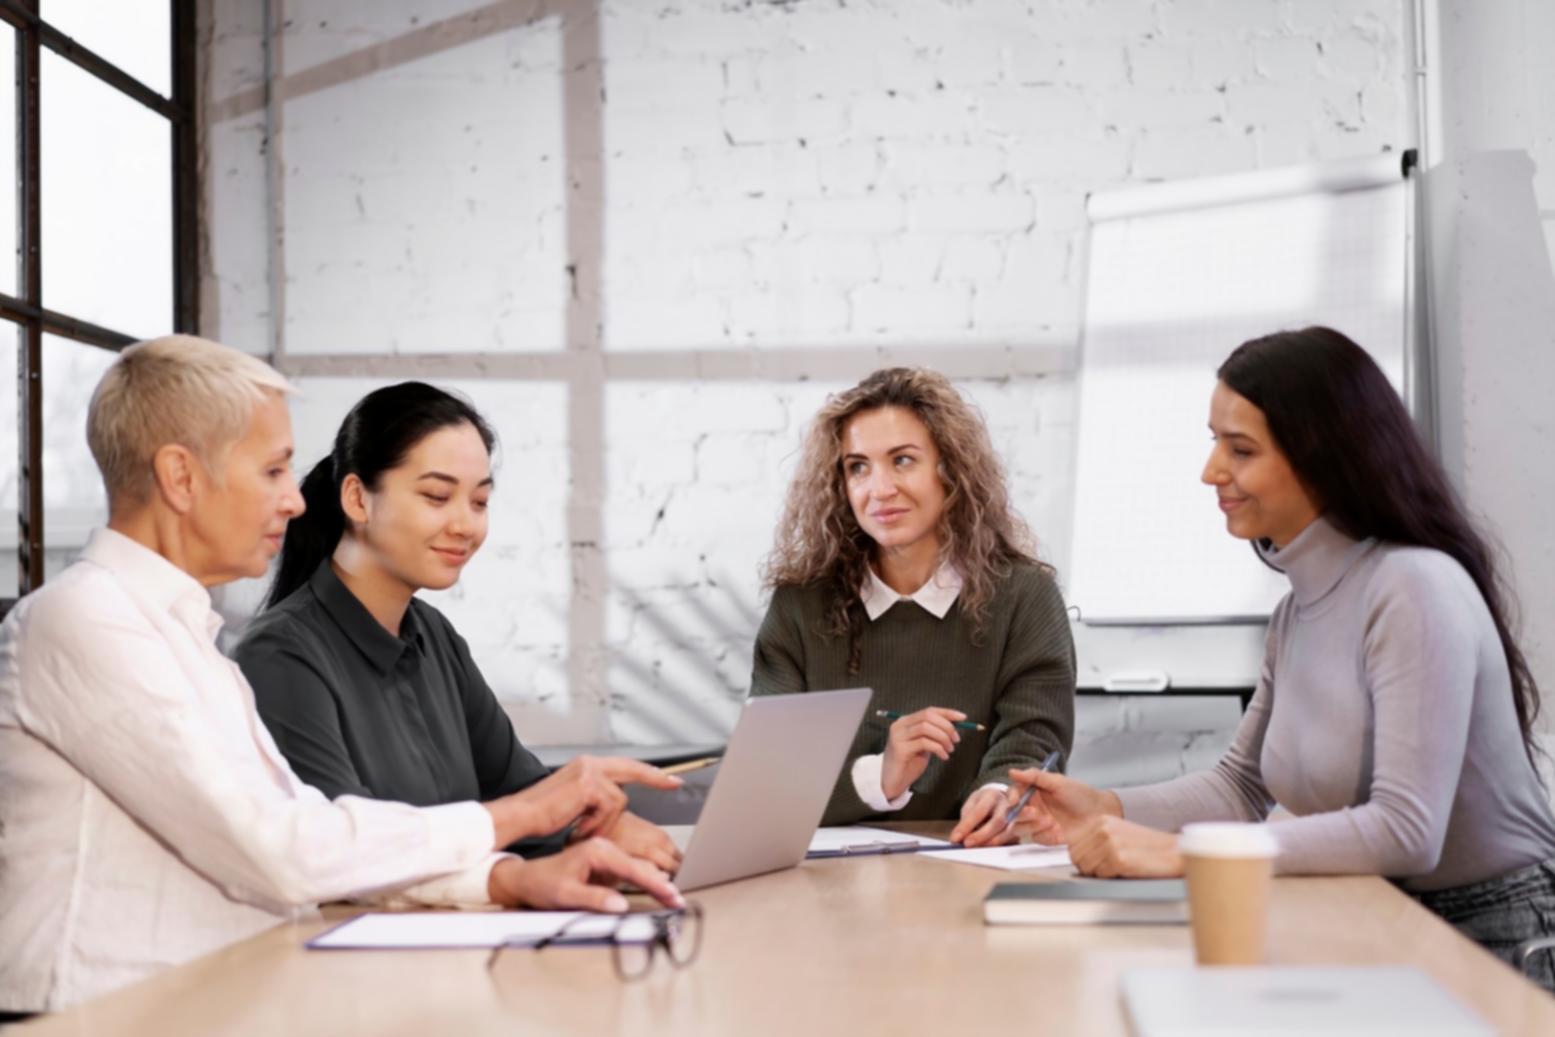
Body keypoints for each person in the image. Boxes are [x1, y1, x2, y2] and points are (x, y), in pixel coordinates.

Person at [0, 337, 682, 1014]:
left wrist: (508, 878)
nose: (296, 502)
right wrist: (518, 817)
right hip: (100, 1015)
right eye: (271, 472)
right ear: (181, 477)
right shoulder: (82, 620)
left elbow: (317, 834)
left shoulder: (186, 636)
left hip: (214, 999)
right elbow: (282, 851)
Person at [1007, 326, 1555, 987]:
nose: (1211, 471)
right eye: (1214, 441)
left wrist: (1187, 853)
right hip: (1378, 911)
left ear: (1323, 457)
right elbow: (1239, 787)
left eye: (1239, 449)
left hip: (1496, 936)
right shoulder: (1296, 610)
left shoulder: (1412, 586)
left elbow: (1408, 828)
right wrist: (1103, 805)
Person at [233, 382, 679, 875]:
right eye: (437, 496)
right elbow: (343, 854)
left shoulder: (433, 635)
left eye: (480, 502)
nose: (465, 525)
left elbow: (519, 789)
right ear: (358, 499)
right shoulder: (280, 655)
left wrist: (599, 828)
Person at [750, 367, 1074, 845]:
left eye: (902, 460)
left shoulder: (1026, 597)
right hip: (822, 890)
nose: (878, 490)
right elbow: (770, 781)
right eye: (857, 466)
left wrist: (999, 793)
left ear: (952, 471)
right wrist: (885, 773)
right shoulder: (799, 607)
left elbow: (1032, 742)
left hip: (969, 867)